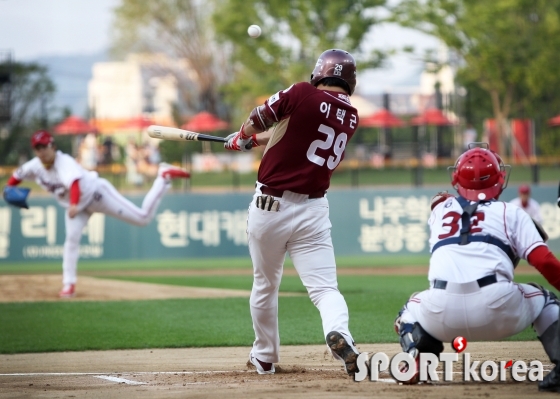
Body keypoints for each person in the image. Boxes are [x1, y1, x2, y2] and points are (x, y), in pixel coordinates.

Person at [223, 49, 362, 376]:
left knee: (265, 284)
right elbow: (295, 130)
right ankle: (341, 334)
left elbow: (260, 116)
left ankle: (265, 356)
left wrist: (243, 135)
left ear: (319, 72)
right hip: (313, 210)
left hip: (270, 207)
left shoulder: (302, 92)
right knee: (326, 289)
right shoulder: (351, 116)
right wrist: (254, 142)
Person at [393, 144, 560, 393]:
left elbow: (445, 203)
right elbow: (544, 262)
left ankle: (418, 358)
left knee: (410, 309)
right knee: (546, 300)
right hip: (499, 310)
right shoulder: (511, 212)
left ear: (456, 179)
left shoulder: (440, 211)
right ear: (500, 178)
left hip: (441, 313)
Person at [4, 130, 190, 298]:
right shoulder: (34, 165)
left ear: (53, 146)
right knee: (71, 240)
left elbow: (75, 183)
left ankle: (163, 177)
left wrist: (74, 204)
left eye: (44, 147)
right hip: (77, 208)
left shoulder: (64, 162)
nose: (41, 152)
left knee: (143, 219)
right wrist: (8, 189)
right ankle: (69, 284)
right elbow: (16, 177)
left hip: (96, 195)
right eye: (37, 148)